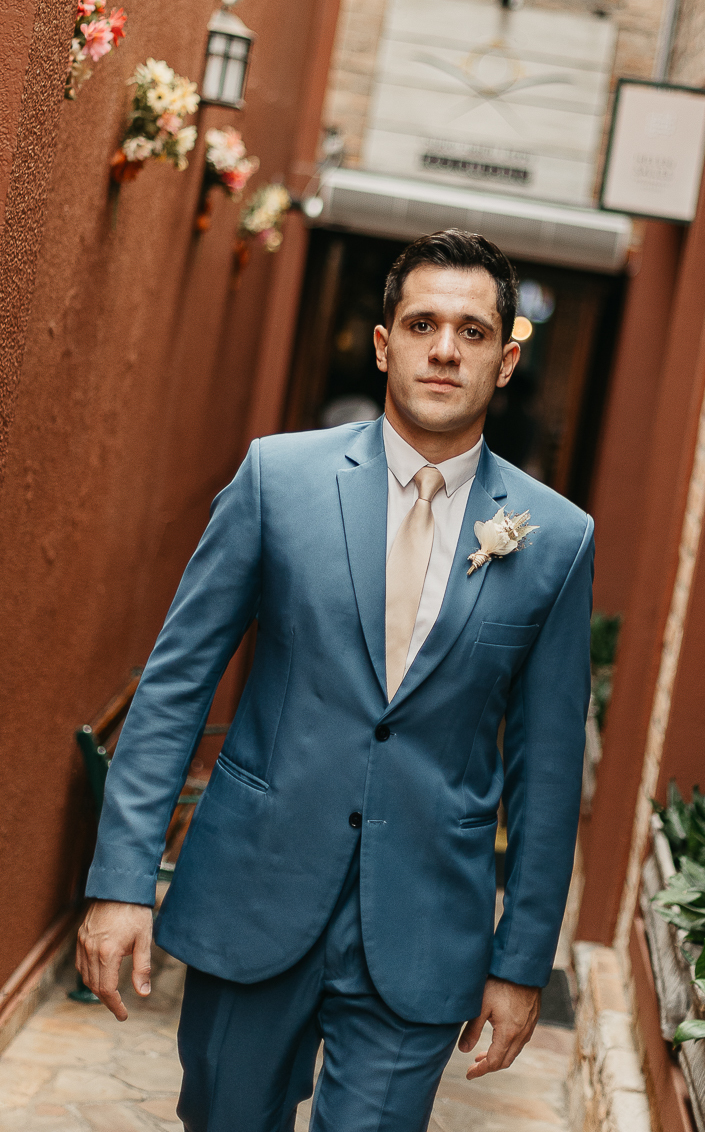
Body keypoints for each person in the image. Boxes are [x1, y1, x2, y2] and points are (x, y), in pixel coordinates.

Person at [77, 228, 594, 1132]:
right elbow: (175, 686)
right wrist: (121, 880)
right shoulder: (277, 478)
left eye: (472, 332)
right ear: (384, 344)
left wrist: (520, 963)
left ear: (506, 362)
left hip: (424, 925)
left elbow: (546, 774)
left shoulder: (556, 537)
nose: (445, 349)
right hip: (255, 892)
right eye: (423, 324)